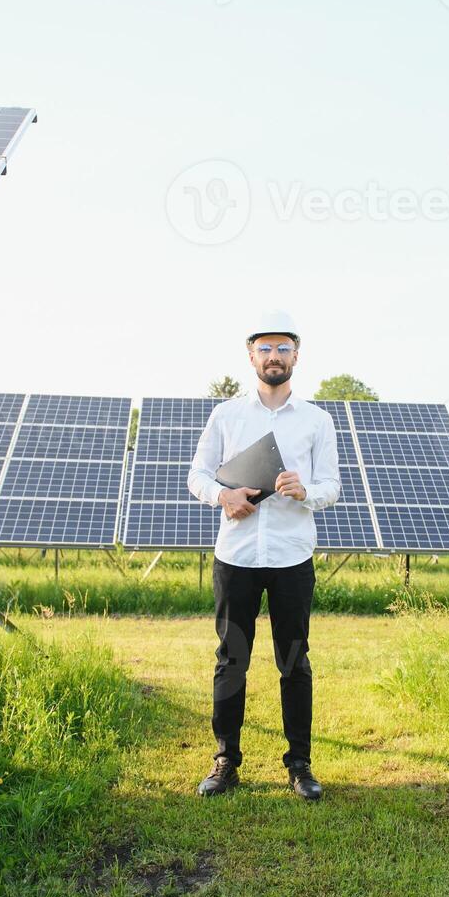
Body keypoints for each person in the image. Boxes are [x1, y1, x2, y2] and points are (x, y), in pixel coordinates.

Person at [186, 310, 341, 801]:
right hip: (237, 558)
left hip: (292, 557)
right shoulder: (227, 415)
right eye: (265, 348)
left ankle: (300, 765)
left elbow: (332, 485)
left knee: (294, 660)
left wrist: (306, 491)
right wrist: (221, 497)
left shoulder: (317, 420)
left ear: (297, 355)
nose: (274, 357)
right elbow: (198, 475)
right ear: (250, 355)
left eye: (283, 348)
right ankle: (226, 761)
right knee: (232, 659)